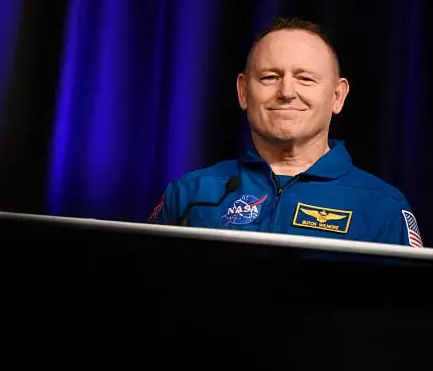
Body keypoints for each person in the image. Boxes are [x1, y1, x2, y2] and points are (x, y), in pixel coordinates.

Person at [148, 17, 421, 248]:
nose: (287, 92)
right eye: (270, 77)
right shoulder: (190, 194)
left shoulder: (384, 207)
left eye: (305, 79)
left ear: (337, 96)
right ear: (243, 92)